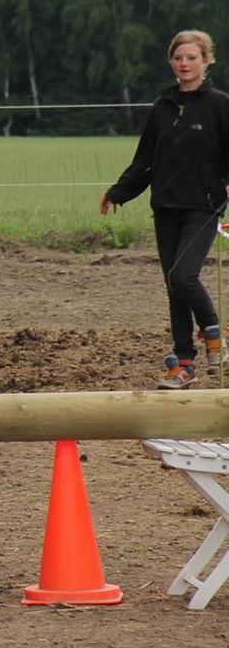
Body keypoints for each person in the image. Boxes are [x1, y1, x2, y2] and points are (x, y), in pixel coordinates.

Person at [101, 29, 229, 388]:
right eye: (178, 58)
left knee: (184, 276)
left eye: (191, 57)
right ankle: (184, 365)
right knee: (173, 286)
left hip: (203, 205)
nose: (184, 63)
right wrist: (118, 192)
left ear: (206, 61)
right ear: (171, 63)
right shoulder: (162, 107)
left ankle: (213, 330)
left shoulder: (220, 104)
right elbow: (144, 160)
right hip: (166, 205)